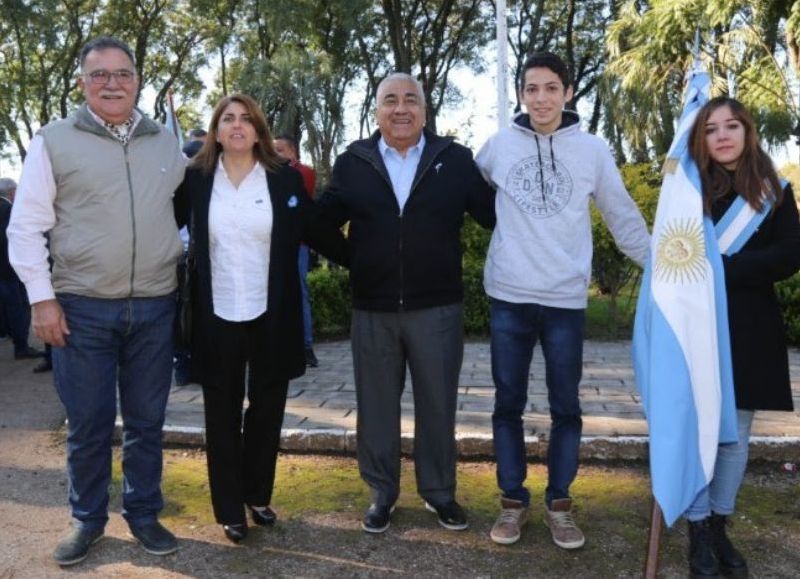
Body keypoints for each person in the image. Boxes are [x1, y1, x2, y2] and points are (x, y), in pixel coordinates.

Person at [7, 36, 185, 566]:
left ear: (137, 80)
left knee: (147, 421)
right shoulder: (54, 140)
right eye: (99, 74)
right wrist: (42, 300)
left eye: (123, 73)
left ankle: (144, 513)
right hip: (81, 308)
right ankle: (86, 519)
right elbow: (25, 228)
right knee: (88, 423)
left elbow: (179, 210)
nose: (112, 83)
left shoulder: (163, 143)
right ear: (83, 82)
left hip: (155, 306)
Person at [475, 52, 649, 549]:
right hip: (508, 295)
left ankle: (560, 505)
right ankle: (512, 503)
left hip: (566, 301)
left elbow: (622, 215)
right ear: (521, 94)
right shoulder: (498, 146)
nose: (541, 99)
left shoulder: (593, 151)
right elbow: (468, 194)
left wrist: (664, 264)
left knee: (565, 407)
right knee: (506, 404)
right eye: (532, 89)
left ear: (568, 92)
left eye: (551, 88)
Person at [317, 72, 495, 534]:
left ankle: (440, 493)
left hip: (437, 309)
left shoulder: (453, 160)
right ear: (376, 110)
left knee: (438, 405)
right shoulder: (353, 161)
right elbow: (320, 223)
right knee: (376, 407)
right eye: (390, 100)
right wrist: (356, 260)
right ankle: (382, 493)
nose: (401, 109)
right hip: (372, 308)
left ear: (425, 109)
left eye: (410, 100)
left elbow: (495, 215)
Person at [174, 94, 347, 544]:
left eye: (246, 119)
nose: (237, 126)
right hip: (216, 314)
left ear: (258, 131)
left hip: (272, 313)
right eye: (227, 118)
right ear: (215, 130)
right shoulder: (193, 181)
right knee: (222, 413)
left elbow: (318, 232)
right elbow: (164, 227)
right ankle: (229, 507)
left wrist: (371, 260)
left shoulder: (282, 181)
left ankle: (257, 495)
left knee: (267, 411)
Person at [680, 96, 800, 577]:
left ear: (748, 132)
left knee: (735, 436)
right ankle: (696, 531)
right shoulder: (686, 190)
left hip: (750, 325)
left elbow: (790, 253)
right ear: (701, 139)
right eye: (711, 129)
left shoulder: (774, 190)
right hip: (697, 324)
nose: (723, 135)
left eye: (732, 126)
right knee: (699, 436)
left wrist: (725, 270)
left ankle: (718, 527)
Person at [274, 133, 319, 367]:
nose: (275, 154)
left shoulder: (303, 172)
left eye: (280, 150)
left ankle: (306, 345)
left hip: (298, 245)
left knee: (299, 292)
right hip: (274, 244)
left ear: (293, 151)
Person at [0, 178, 43, 361]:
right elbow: (10, 241)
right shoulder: (8, 210)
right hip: (9, 269)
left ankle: (9, 334)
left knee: (8, 307)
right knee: (18, 307)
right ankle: (21, 346)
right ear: (11, 192)